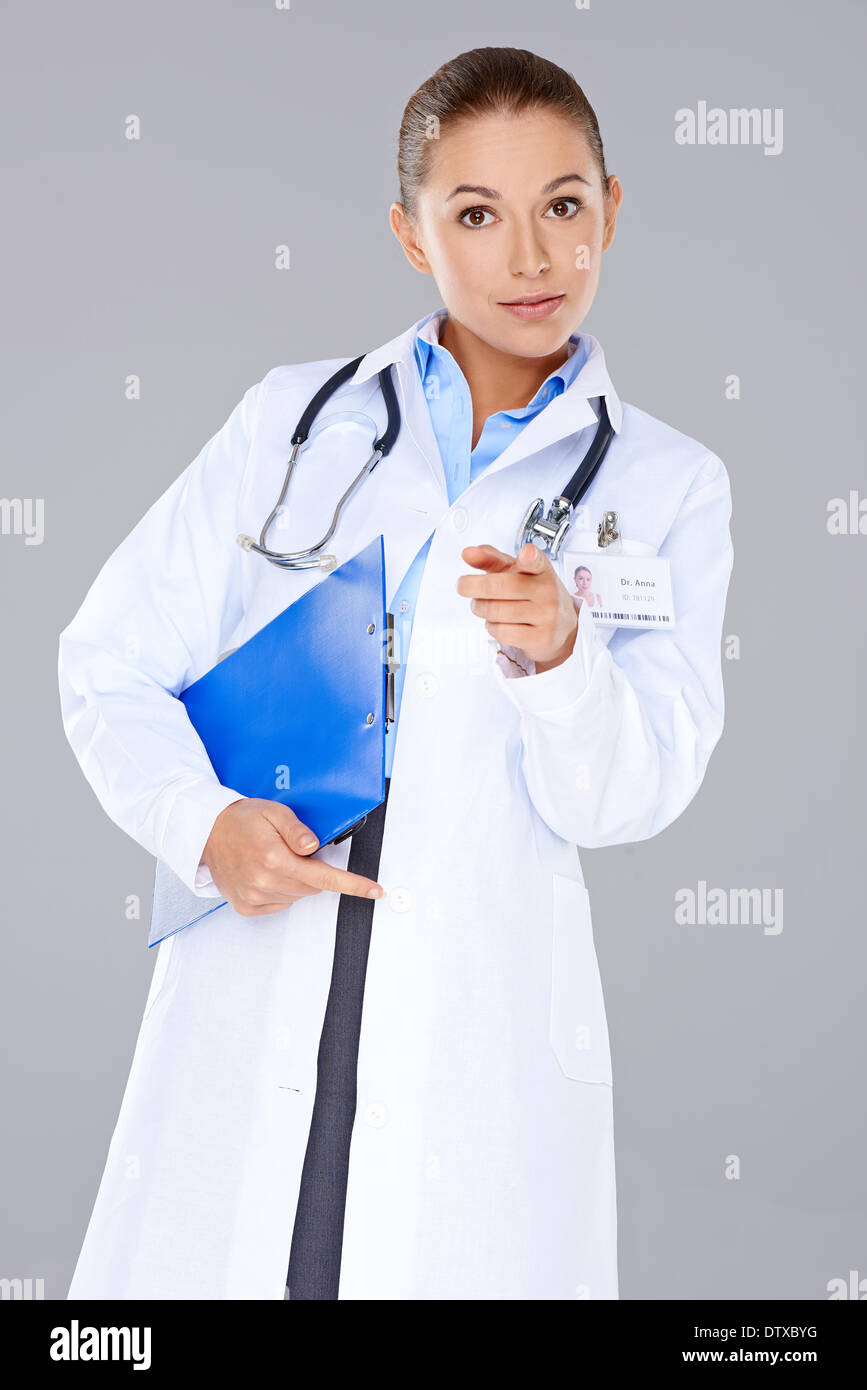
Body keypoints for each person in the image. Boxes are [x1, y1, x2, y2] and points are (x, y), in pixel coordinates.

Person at [58, 46, 734, 1300]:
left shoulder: (669, 485)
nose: (530, 256)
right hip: (262, 971)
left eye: (563, 205)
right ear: (410, 233)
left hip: (473, 1026)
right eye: (476, 214)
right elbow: (107, 664)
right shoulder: (289, 422)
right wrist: (205, 828)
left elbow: (626, 796)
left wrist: (562, 660)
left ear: (610, 207)